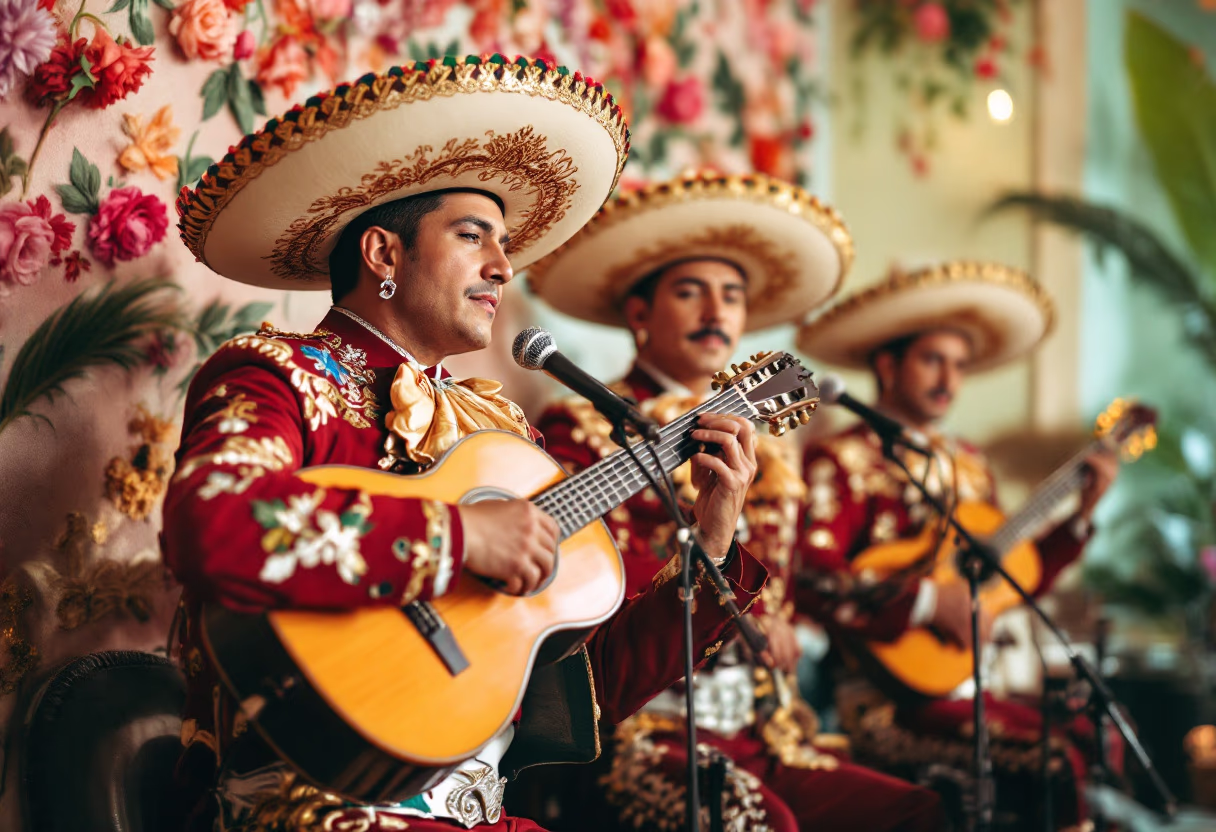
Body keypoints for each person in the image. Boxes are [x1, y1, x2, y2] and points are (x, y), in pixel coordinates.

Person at [164, 56, 771, 832]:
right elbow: (209, 524)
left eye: (504, 241)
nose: (503, 265)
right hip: (310, 803)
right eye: (473, 235)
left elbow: (594, 690)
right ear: (383, 254)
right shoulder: (278, 374)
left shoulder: (504, 436)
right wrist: (455, 535)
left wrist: (711, 545)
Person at [527, 171, 944, 831]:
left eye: (731, 296)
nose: (715, 313)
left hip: (762, 725)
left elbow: (789, 575)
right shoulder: (577, 426)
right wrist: (730, 604)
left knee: (913, 813)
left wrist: (783, 619)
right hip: (642, 726)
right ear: (640, 316)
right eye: (690, 293)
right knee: (755, 821)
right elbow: (581, 575)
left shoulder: (772, 452)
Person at [793, 261, 1121, 829]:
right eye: (932, 360)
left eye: (960, 365)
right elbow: (810, 576)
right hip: (879, 701)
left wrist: (1081, 516)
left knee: (1100, 737)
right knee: (1051, 763)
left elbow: (1010, 581)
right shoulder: (841, 460)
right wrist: (926, 602)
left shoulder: (968, 464)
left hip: (966, 686)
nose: (949, 378)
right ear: (887, 365)